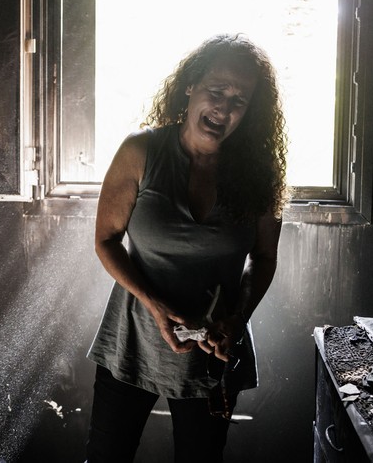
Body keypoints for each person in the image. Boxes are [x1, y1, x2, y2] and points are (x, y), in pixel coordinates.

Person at [85, 33, 289, 463]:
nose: (224, 108)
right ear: (190, 86)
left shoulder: (260, 174)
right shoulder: (140, 151)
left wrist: (238, 317)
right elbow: (106, 241)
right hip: (133, 338)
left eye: (240, 100)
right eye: (216, 91)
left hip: (213, 349)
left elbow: (264, 258)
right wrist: (154, 303)